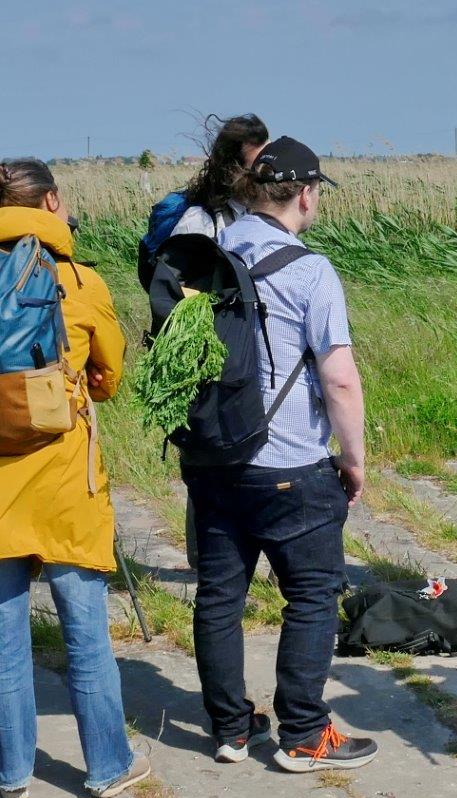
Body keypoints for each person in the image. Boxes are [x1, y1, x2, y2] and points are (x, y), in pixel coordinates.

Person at [0, 158, 148, 798]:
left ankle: (10, 775)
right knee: (85, 632)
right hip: (63, 481)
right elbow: (109, 380)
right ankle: (108, 765)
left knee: (1, 635)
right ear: (53, 203)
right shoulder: (81, 280)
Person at [187, 136, 378, 772]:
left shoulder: (209, 255)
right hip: (290, 462)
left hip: (215, 459)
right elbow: (340, 376)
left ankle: (230, 728)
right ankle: (303, 733)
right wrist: (353, 456)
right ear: (304, 193)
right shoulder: (309, 270)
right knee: (314, 594)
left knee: (219, 595)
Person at [170, 113, 270, 568]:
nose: (263, 172)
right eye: (255, 163)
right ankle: (207, 558)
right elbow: (182, 296)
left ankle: (250, 555)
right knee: (210, 449)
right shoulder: (198, 220)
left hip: (252, 352)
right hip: (210, 356)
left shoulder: (258, 214)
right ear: (232, 166)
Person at [172, 113, 269, 239]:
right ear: (231, 170)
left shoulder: (267, 216)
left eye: (269, 164)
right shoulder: (199, 225)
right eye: (257, 168)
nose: (268, 174)